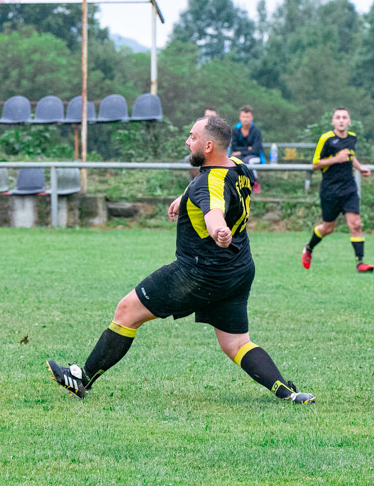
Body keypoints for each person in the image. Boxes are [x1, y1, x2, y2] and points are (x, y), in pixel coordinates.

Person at [45, 115, 315, 404]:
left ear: (208, 145)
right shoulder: (239, 167)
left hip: (197, 274)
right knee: (236, 343)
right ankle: (288, 393)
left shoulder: (206, 186)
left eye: (192, 137)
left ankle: (81, 377)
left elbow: (213, 210)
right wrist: (182, 197)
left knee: (126, 312)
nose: (188, 141)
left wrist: (218, 230)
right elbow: (210, 182)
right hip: (236, 270)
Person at [301, 108, 373, 273]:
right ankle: (309, 248)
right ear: (333, 121)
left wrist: (360, 168)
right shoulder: (326, 138)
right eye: (338, 117)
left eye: (344, 117)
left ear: (349, 121)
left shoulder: (352, 138)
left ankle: (360, 263)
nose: (341, 120)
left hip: (349, 187)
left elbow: (350, 155)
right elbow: (315, 164)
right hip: (330, 190)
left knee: (355, 224)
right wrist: (336, 159)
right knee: (328, 228)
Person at [230, 105, 263, 192]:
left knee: (248, 161)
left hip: (255, 157)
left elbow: (255, 150)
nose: (245, 119)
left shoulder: (256, 132)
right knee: (234, 160)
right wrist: (247, 149)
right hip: (243, 156)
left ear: (251, 118)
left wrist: (240, 152)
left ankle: (254, 183)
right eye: (243, 117)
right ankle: (236, 185)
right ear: (240, 118)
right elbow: (234, 147)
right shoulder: (236, 131)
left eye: (247, 117)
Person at [186, 108, 219, 180]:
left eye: (212, 117)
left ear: (217, 116)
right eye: (206, 116)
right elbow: (190, 144)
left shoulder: (221, 130)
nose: (209, 119)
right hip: (201, 154)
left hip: (216, 157)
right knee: (188, 159)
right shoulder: (199, 128)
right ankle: (198, 182)